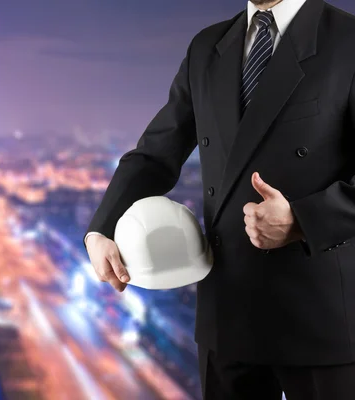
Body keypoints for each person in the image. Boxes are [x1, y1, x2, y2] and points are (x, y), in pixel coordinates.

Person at [83, 0, 355, 398]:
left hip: (321, 315)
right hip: (226, 311)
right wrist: (101, 229)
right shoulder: (207, 47)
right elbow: (156, 154)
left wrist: (303, 219)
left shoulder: (348, 41)